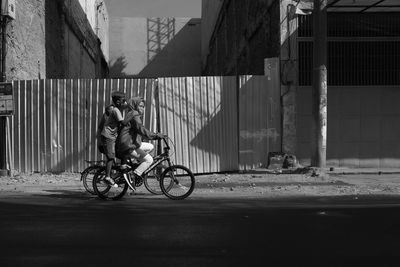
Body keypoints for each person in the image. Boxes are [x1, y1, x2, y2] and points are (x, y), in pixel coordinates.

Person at [116, 97, 164, 187]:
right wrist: (156, 135)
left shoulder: (132, 113)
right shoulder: (134, 115)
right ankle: (133, 175)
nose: (142, 108)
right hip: (128, 145)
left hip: (129, 143)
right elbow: (141, 130)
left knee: (150, 146)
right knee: (149, 160)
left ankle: (134, 163)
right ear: (134, 106)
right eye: (140, 106)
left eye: (143, 106)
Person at [97, 91, 127, 187]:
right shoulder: (116, 110)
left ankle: (119, 174)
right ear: (118, 102)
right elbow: (123, 123)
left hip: (112, 137)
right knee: (111, 157)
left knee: (120, 153)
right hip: (108, 136)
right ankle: (107, 177)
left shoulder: (117, 109)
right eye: (124, 100)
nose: (125, 102)